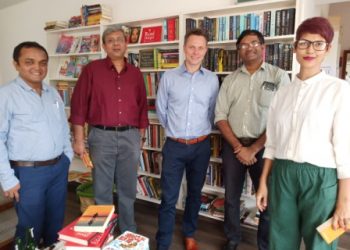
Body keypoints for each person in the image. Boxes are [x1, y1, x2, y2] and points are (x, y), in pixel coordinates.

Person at [256, 17, 350, 250]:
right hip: (283, 174)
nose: (310, 49)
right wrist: (263, 182)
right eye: (304, 43)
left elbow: (344, 148)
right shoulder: (282, 93)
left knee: (321, 244)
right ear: (295, 47)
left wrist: (344, 202)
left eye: (318, 44)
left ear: (327, 49)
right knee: (280, 240)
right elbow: (273, 143)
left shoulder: (339, 90)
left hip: (322, 179)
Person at [214, 30, 290, 250]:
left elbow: (281, 117)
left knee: (266, 198)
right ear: (239, 51)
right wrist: (239, 148)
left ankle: (265, 244)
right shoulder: (229, 80)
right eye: (244, 45)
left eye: (254, 43)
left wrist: (254, 148)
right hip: (233, 145)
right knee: (231, 197)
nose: (250, 47)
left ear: (263, 47)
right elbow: (220, 116)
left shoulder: (278, 76)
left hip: (266, 147)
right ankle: (233, 238)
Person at [70, 26, 149, 233]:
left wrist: (139, 136)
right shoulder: (92, 70)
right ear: (104, 46)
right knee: (101, 188)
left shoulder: (135, 73)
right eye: (111, 40)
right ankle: (101, 233)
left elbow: (142, 107)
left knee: (127, 189)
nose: (116, 43)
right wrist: (79, 140)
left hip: (130, 136)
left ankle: (127, 231)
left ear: (126, 44)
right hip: (101, 136)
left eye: (119, 39)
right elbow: (78, 107)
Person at [0, 41, 73, 246]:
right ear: (16, 64)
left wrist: (67, 157)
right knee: (29, 227)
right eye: (29, 62)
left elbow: (62, 127)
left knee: (55, 224)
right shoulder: (5, 95)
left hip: (58, 168)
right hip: (28, 174)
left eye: (43, 62)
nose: (37, 68)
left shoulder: (53, 93)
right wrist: (7, 178)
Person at [156, 28, 219, 250]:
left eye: (200, 47)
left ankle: (189, 233)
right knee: (169, 198)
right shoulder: (169, 77)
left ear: (206, 50)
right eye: (192, 46)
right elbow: (161, 110)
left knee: (194, 194)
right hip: (174, 146)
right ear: (184, 48)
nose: (196, 52)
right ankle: (163, 242)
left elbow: (212, 112)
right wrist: (176, 131)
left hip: (201, 146)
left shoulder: (212, 79)